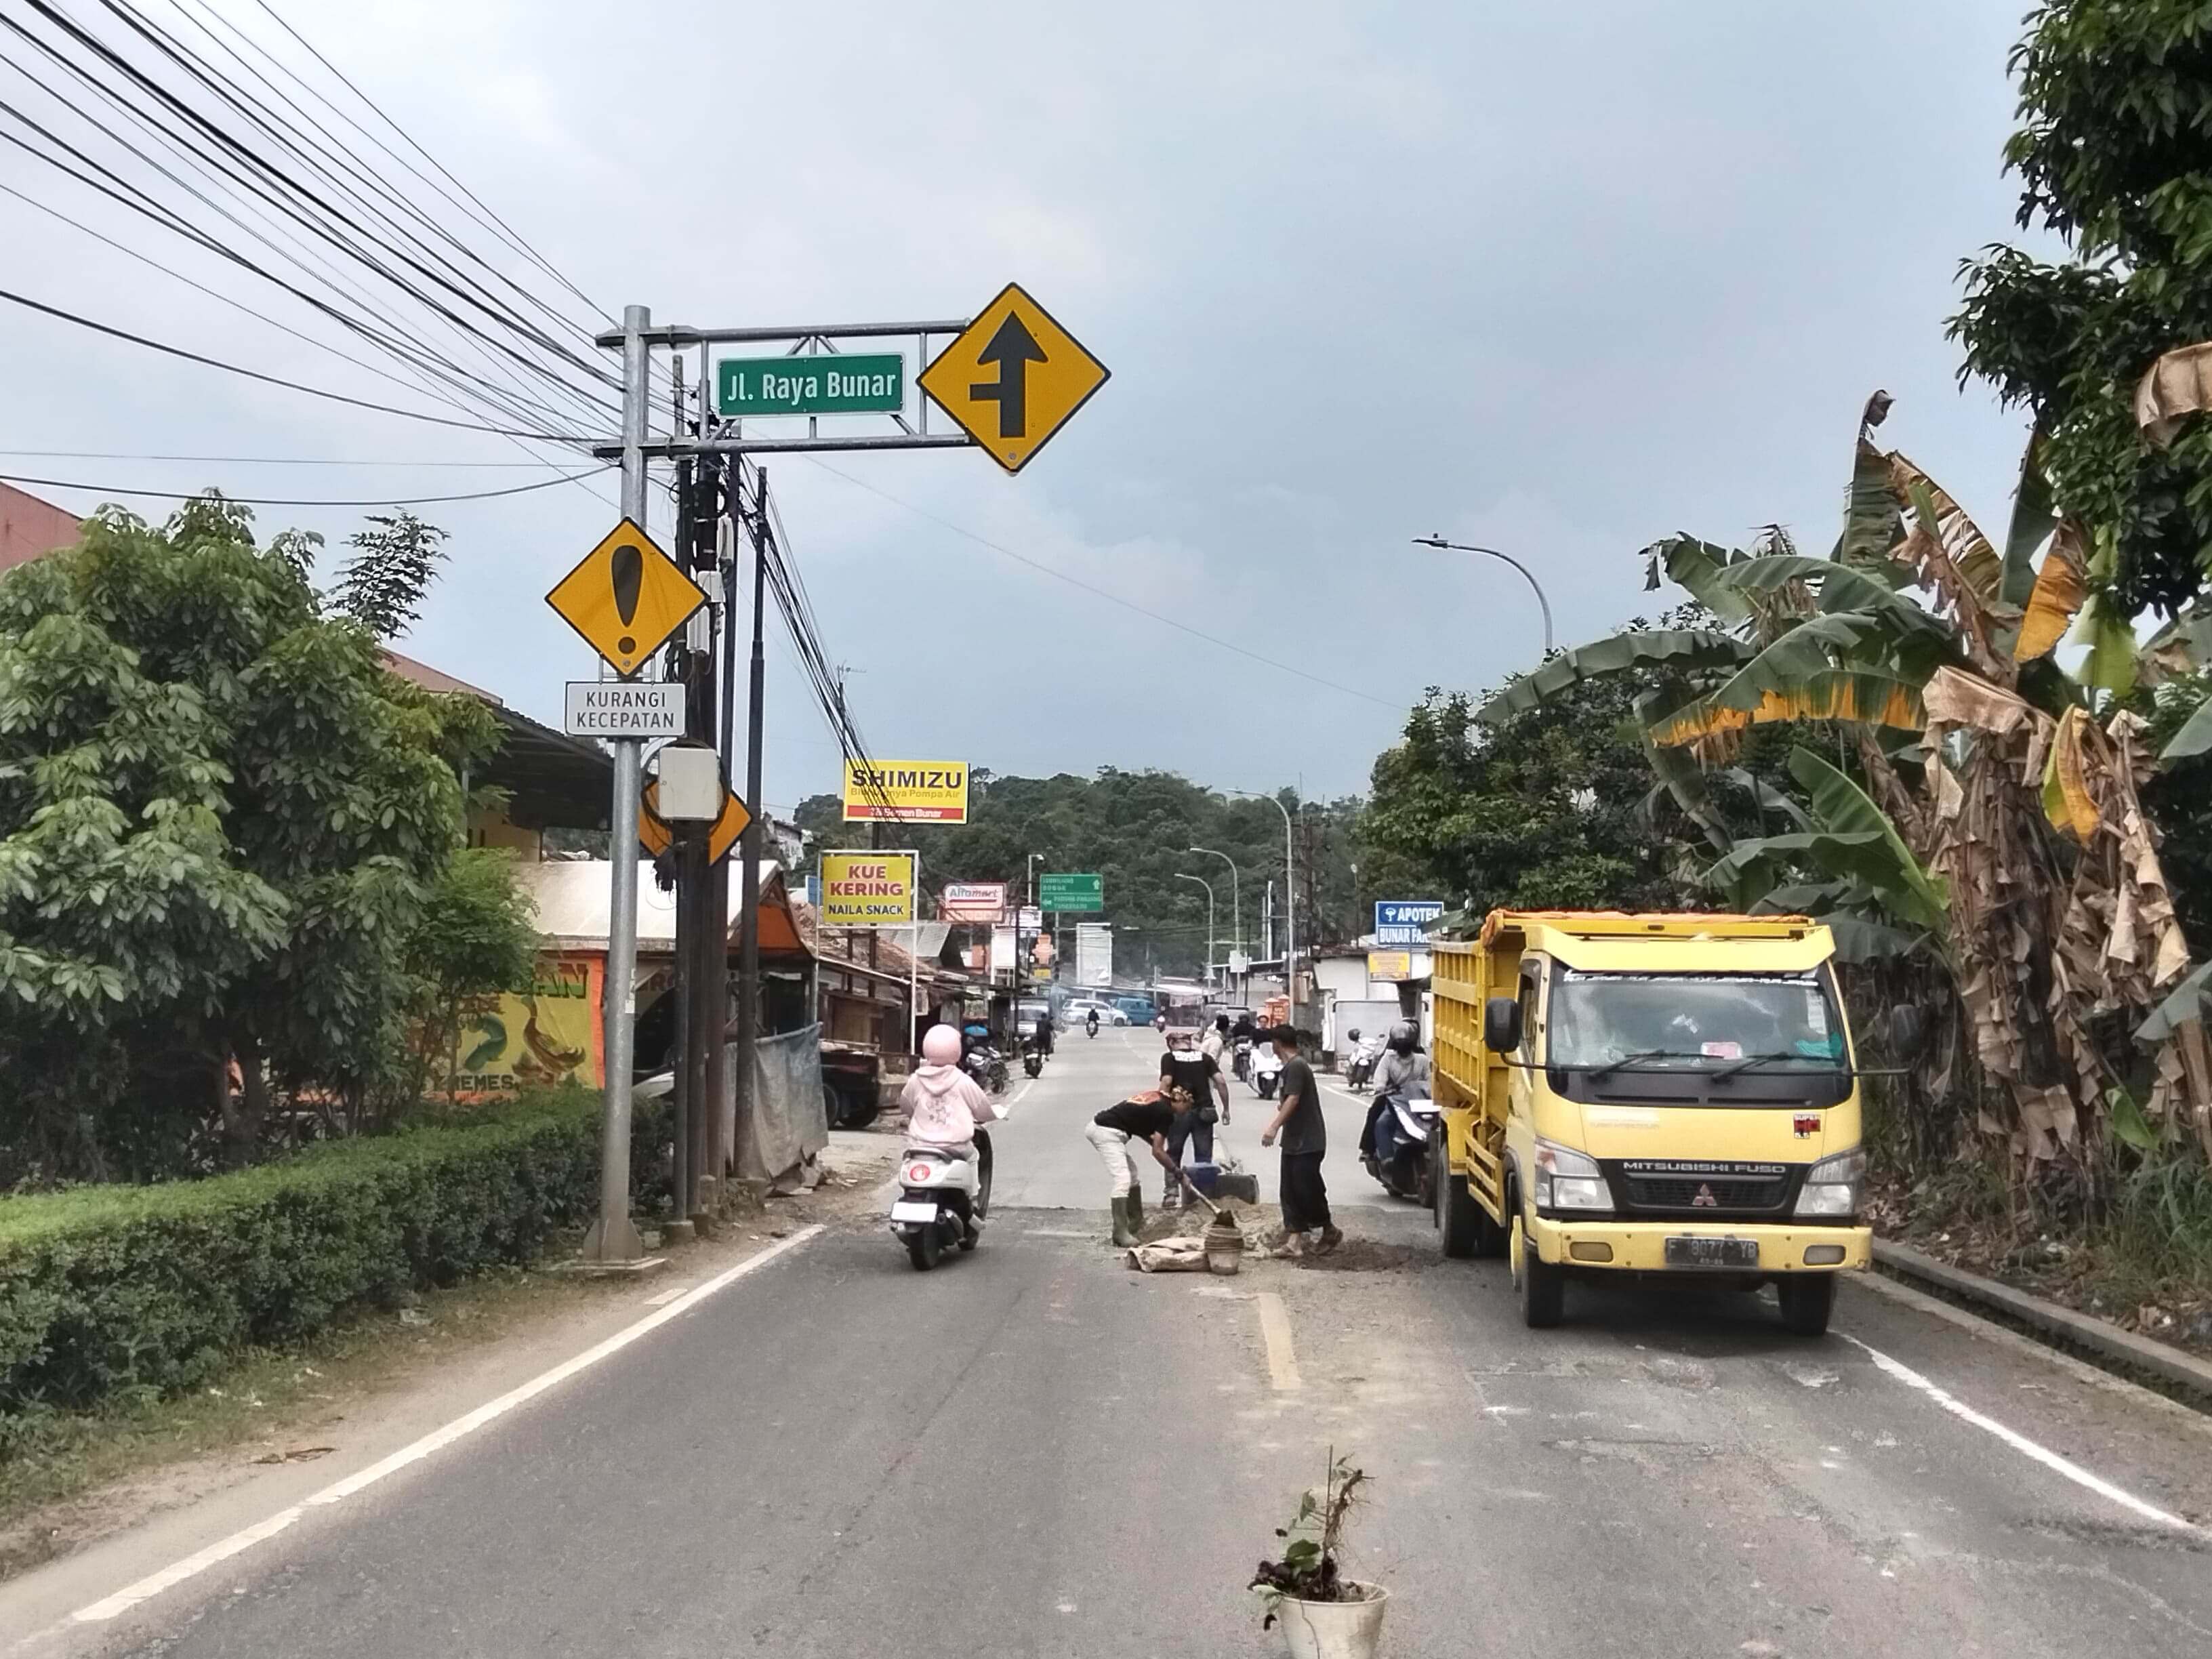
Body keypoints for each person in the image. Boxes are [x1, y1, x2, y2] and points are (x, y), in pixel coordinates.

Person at [902, 1025, 1006, 1236]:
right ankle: (973, 1198)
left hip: (919, 1147)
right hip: (955, 1147)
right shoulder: (962, 1080)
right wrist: (994, 1114)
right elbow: (982, 1109)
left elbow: (905, 1106)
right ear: (956, 1051)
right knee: (974, 1156)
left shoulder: (916, 1079)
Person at [1259, 1025, 1339, 1256]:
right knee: (1290, 1190)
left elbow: (1293, 1099)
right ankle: (1294, 1243)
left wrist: (1273, 1127)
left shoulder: (1297, 1066)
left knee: (1308, 1189)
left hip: (1308, 1140)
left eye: (1273, 1043)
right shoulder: (1290, 1067)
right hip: (1295, 1141)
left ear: (1277, 1043)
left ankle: (1328, 1229)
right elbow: (1289, 1099)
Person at [1086, 1086, 1182, 1246]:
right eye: (1188, 1106)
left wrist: (1160, 1150)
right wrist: (1176, 1171)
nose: (1186, 1112)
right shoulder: (1166, 1114)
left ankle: (1136, 1222)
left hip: (1104, 1127)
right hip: (1106, 1132)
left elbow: (1141, 1128)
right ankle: (1120, 1232)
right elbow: (1157, 1151)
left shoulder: (1158, 1098)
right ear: (1180, 1100)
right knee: (1123, 1179)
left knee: (1133, 1175)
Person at [1158, 1027, 1231, 1208]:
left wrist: (1159, 1107)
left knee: (1173, 1152)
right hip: (1204, 1112)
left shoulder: (1169, 1058)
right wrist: (1226, 1109)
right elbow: (1220, 1081)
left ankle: (1171, 1194)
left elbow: (1166, 1082)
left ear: (1172, 1044)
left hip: (1178, 1112)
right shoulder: (1205, 1058)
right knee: (1204, 1156)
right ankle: (1202, 1197)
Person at [1362, 1020, 1431, 1169]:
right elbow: (1379, 1080)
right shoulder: (1388, 1060)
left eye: (1406, 1043)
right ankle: (1380, 1154)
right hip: (1395, 1101)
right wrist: (1382, 1089)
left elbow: (1430, 1081)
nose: (1403, 1046)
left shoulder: (1422, 1060)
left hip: (1418, 1102)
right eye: (1400, 1043)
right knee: (1380, 1121)